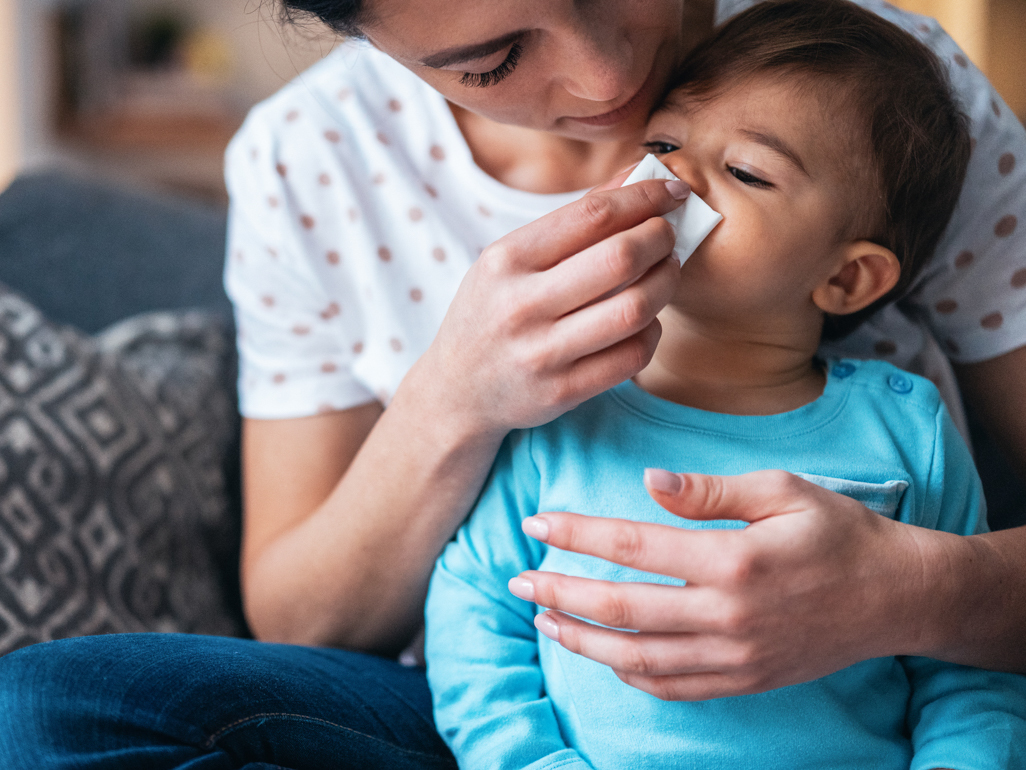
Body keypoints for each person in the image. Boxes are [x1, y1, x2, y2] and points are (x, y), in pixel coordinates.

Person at [1, 0, 1025, 767]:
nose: (609, 83)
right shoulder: (308, 162)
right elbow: (334, 621)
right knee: (51, 704)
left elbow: (970, 690)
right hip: (514, 717)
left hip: (862, 726)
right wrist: (456, 399)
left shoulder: (873, 90)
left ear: (851, 274)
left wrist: (916, 590)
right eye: (496, 59)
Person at [424, 3, 1026, 769]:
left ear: (846, 277)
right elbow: (476, 611)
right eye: (663, 143)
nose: (674, 175)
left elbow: (969, 672)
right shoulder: (561, 409)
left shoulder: (908, 429)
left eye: (745, 172)